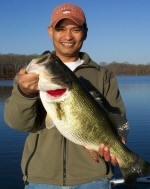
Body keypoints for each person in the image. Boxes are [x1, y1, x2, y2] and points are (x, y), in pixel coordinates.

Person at [4, 3, 129, 189]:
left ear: (85, 32)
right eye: (60, 29)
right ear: (50, 31)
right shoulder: (30, 77)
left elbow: (119, 121)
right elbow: (17, 123)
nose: (68, 36)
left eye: (75, 29)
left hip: (93, 179)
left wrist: (117, 143)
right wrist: (25, 94)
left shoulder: (104, 76)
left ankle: (132, 165)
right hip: (41, 180)